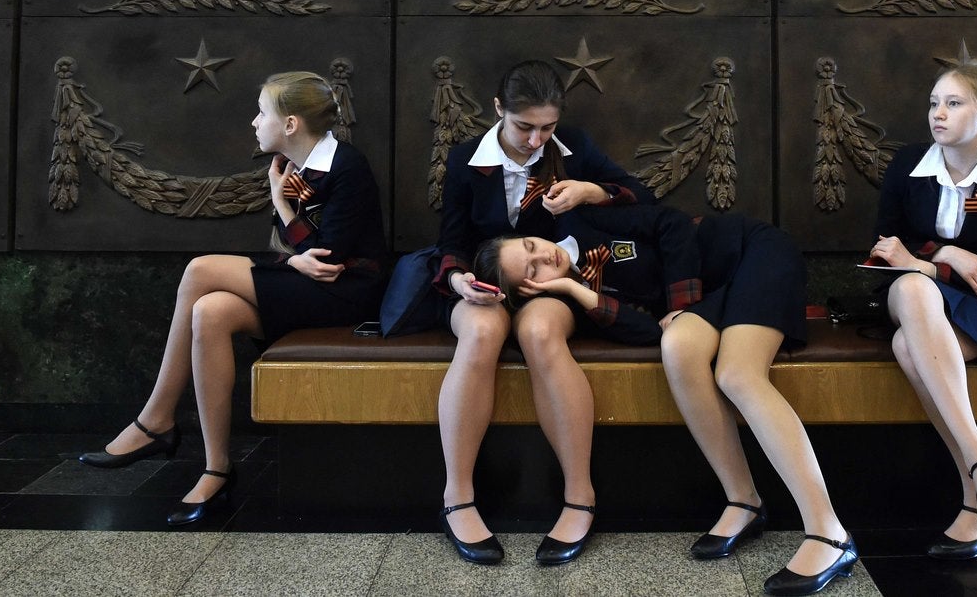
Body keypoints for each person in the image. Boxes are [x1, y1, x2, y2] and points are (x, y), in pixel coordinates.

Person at [476, 205, 858, 597]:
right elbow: (646, 330)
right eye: (533, 270)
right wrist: (577, 291)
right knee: (675, 347)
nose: (544, 256)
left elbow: (672, 224)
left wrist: (679, 305)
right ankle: (744, 501)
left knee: (737, 374)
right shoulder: (575, 303)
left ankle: (829, 534)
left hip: (750, 255)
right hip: (714, 297)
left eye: (531, 245)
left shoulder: (580, 220)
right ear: (528, 290)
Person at [78, 71, 386, 527]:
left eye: (262, 112)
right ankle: (216, 468)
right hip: (312, 289)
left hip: (346, 295)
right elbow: (305, 252)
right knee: (210, 311)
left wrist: (284, 226)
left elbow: (326, 260)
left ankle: (156, 419)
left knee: (200, 270)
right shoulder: (294, 168)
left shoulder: (347, 165)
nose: (253, 122)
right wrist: (283, 208)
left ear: (291, 124)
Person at [433, 59, 652, 566]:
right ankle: (457, 499)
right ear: (498, 111)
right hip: (482, 281)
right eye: (524, 126)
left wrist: (592, 191)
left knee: (538, 330)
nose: (537, 140)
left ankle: (580, 498)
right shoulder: (467, 158)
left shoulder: (573, 146)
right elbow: (451, 240)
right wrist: (458, 280)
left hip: (554, 281)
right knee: (484, 331)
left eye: (547, 128)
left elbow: (643, 196)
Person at [865, 60, 977, 560]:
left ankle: (972, 502)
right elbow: (883, 248)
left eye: (953, 103)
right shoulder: (907, 166)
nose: (937, 114)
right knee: (917, 295)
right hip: (904, 292)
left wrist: (927, 259)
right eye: (934, 103)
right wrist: (942, 256)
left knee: (908, 347)